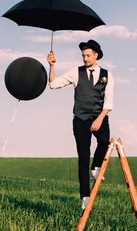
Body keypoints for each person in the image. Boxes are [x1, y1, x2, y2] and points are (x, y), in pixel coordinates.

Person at [47, 40, 114, 210]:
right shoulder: (76, 72)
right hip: (80, 119)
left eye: (88, 55)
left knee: (105, 141)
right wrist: (52, 66)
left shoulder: (108, 74)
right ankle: (85, 196)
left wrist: (99, 119)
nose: (85, 58)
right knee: (83, 157)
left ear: (96, 55)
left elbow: (109, 102)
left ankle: (96, 167)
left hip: (100, 116)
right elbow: (53, 85)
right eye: (83, 55)